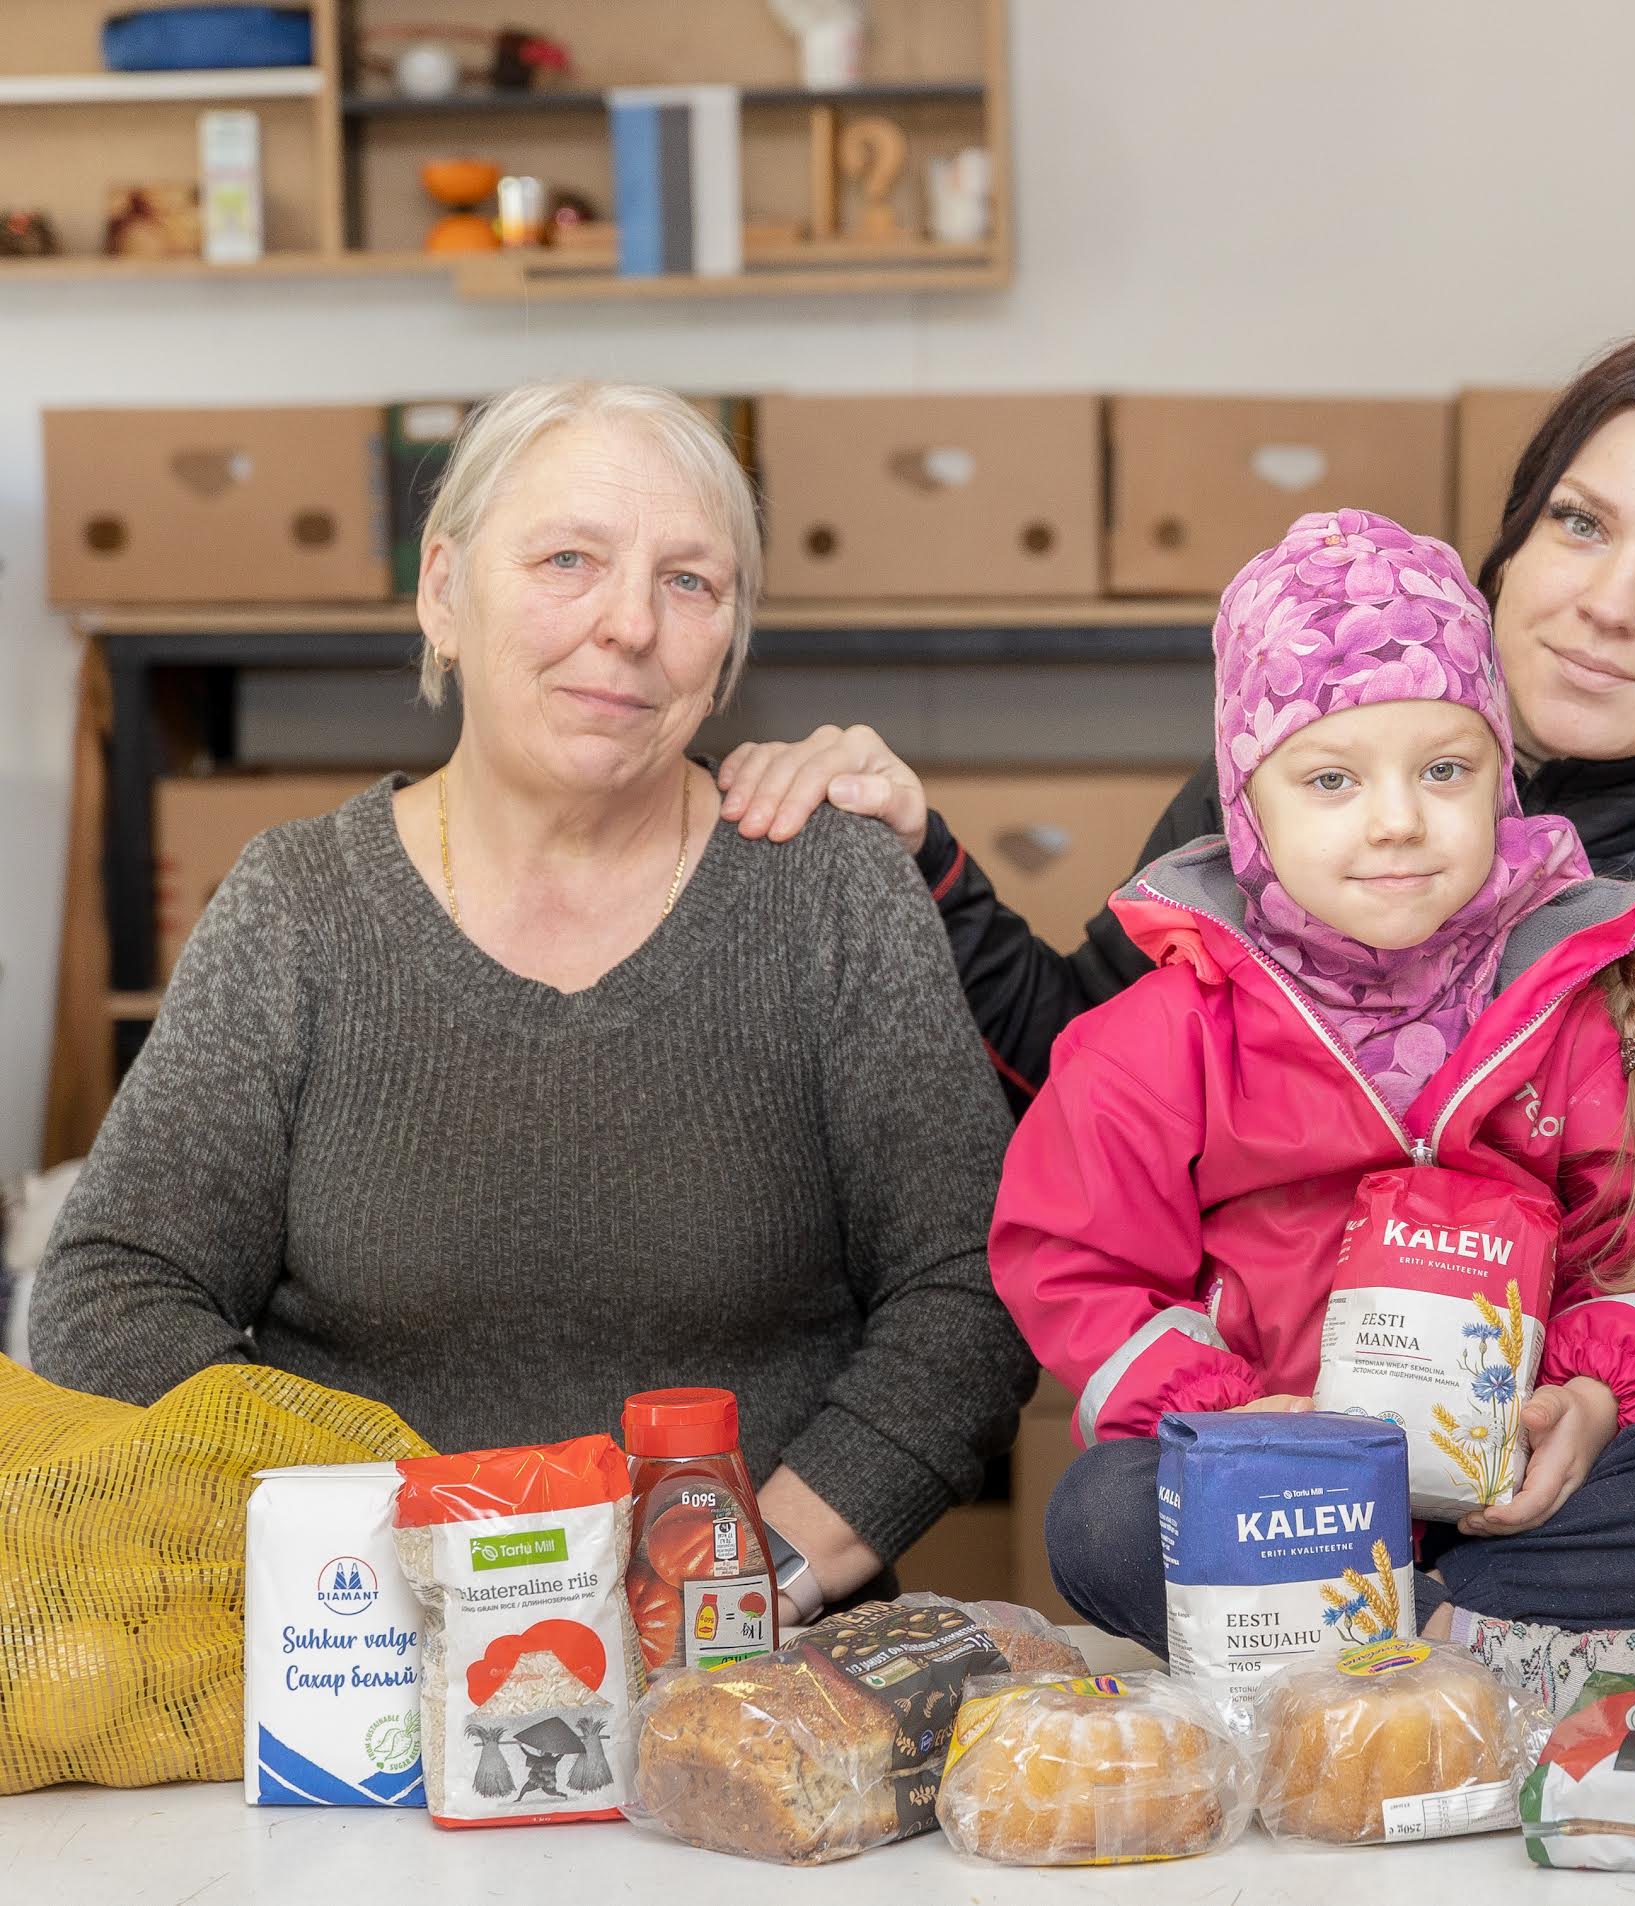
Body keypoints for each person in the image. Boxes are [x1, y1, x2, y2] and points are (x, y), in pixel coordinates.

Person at [717, 335, 1635, 1416]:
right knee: (1108, 1513)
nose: (1609, 602)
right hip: (1284, 1467)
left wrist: (1606, 1443)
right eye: (1580, 523)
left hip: (1596, 1493)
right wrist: (920, 861)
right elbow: (1091, 1063)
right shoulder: (1294, 789)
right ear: (1508, 545)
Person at [33, 380, 1035, 1621]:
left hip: (748, 1668)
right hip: (370, 1667)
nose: (628, 625)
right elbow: (110, 1291)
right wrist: (393, 1561)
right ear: (444, 591)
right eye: (570, 558)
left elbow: (972, 1291)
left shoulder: (832, 892)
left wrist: (744, 1578)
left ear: (726, 650)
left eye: (690, 583)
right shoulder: (299, 906)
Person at [994, 509, 1635, 1666]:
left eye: (1446, 769)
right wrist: (1220, 1413)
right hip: (1280, 1492)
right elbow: (1072, 1260)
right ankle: (1474, 1643)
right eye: (1330, 779)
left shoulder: (1574, 1003)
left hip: (1515, 1493)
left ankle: (1396, 1635)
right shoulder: (1162, 1036)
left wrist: (1592, 1402)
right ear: (1247, 808)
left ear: (1500, 779)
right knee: (1102, 1515)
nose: (1400, 818)